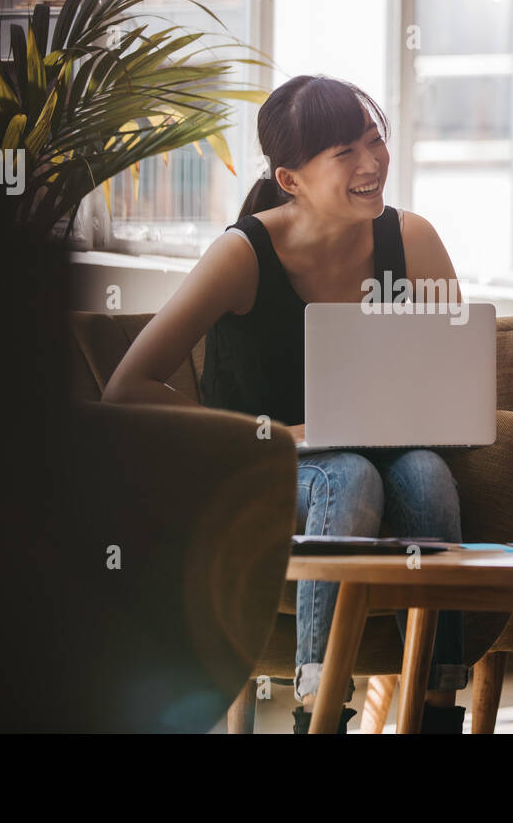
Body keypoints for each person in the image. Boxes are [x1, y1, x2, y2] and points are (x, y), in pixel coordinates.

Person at [102, 74, 469, 733]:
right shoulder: (243, 253)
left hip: (380, 454)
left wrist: (436, 413)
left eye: (374, 140)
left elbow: (451, 378)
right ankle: (318, 709)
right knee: (346, 473)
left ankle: (438, 706)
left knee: (428, 474)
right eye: (345, 153)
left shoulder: (410, 241)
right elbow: (128, 386)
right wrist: (280, 433)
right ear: (291, 179)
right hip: (264, 469)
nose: (371, 163)